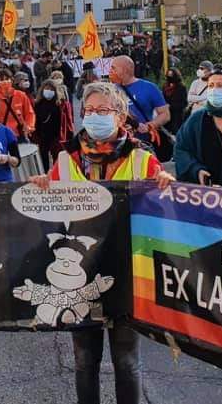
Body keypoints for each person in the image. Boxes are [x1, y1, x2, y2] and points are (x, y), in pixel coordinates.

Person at [30, 82, 174, 404]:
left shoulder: (143, 161)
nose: (94, 117)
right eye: (89, 111)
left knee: (126, 362)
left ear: (121, 117)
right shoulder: (66, 160)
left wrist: (166, 186)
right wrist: (41, 186)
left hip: (127, 277)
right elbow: (47, 211)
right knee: (84, 362)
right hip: (79, 278)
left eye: (103, 111)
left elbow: (162, 212)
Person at [108, 55, 170, 143]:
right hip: (118, 143)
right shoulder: (110, 90)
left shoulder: (149, 88)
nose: (110, 71)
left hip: (143, 143)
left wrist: (150, 126)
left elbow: (165, 114)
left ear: (125, 70)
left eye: (113, 68)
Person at [33, 76, 74, 172]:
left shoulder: (61, 104)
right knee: (43, 158)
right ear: (42, 89)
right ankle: (46, 173)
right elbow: (36, 121)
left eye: (51, 89)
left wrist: (69, 136)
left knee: (58, 158)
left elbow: (68, 121)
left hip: (57, 136)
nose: (49, 91)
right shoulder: (38, 104)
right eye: (47, 88)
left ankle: (58, 175)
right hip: (42, 135)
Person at [0, 69, 36, 141]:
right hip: (1, 133)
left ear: (12, 80)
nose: (5, 81)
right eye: (2, 79)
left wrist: (29, 126)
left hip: (19, 133)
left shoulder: (21, 95)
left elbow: (30, 113)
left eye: (7, 79)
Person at [162, 68, 188, 133]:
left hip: (177, 115)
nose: (169, 77)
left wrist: (171, 106)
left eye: (171, 75)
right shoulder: (165, 86)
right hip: (167, 114)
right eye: (168, 75)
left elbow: (184, 103)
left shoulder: (181, 87)